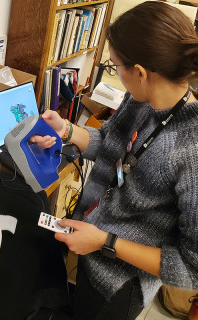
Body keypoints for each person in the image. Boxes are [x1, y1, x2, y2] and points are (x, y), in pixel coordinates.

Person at [31, 1, 198, 319]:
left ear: (140, 72)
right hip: (91, 248)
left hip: (120, 285)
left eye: (115, 66)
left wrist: (106, 242)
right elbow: (110, 145)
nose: (116, 73)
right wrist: (66, 130)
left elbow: (191, 268)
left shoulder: (192, 150)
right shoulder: (142, 100)